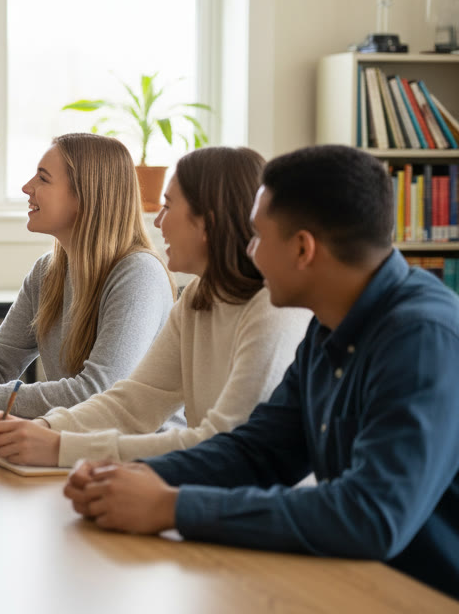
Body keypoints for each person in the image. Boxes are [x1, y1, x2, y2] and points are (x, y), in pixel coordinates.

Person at [63, 145, 459, 601]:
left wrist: (173, 507)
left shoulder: (422, 338)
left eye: (256, 236)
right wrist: (124, 474)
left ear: (302, 248)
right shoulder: (327, 327)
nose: (249, 251)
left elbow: (369, 515)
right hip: (361, 584)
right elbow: (259, 452)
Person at [0, 146, 311, 466]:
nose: (157, 222)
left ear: (206, 223)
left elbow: (225, 442)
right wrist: (46, 428)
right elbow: (132, 404)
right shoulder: (198, 296)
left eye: (168, 207)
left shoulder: (274, 309)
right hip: (207, 490)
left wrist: (61, 446)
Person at [0, 132, 175, 416]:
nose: (26, 187)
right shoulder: (48, 271)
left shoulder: (138, 274)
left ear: (85, 194)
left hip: (140, 455)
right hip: (77, 446)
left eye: (43, 178)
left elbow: (97, 392)